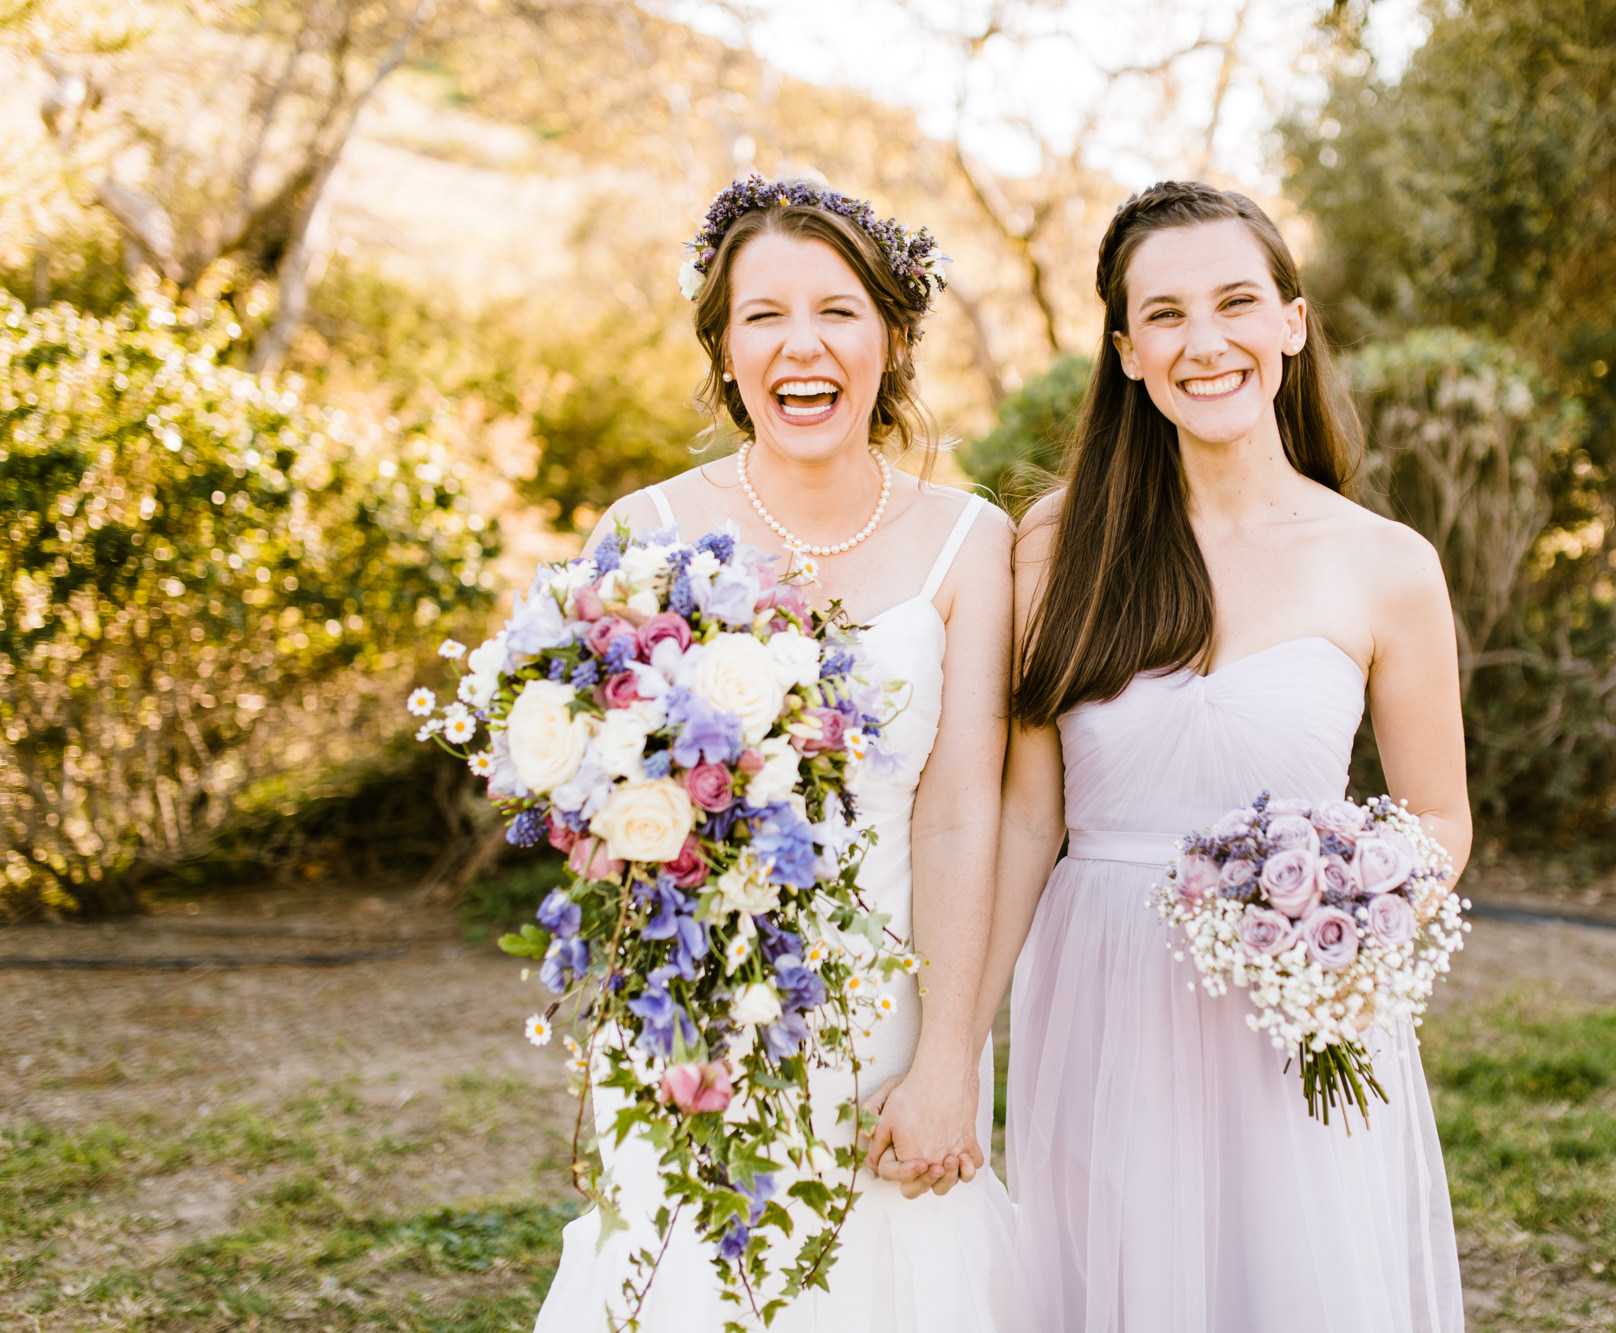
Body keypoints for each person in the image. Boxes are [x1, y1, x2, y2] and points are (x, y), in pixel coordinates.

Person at [974, 180, 1471, 1332]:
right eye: (1165, 316)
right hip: (1099, 994)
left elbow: (1435, 816)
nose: (1205, 343)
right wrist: (954, 1046)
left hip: (1294, 1003)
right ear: (1126, 351)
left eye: (1236, 302)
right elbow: (1020, 817)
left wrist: (1354, 913)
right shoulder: (1056, 546)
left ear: (1291, 323)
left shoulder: (1385, 563)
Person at [536, 177, 1022, 1333]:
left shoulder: (971, 542)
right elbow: (589, 798)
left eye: (837, 310)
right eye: (762, 316)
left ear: (893, 337)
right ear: (722, 347)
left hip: (892, 1015)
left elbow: (961, 814)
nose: (800, 345)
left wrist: (949, 1053)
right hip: (694, 1009)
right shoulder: (641, 532)